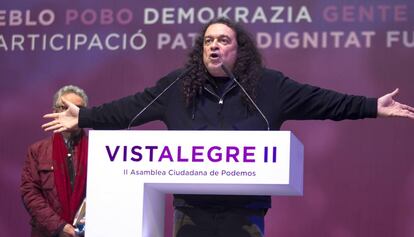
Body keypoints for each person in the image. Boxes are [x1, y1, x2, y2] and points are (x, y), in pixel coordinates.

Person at [41, 18, 414, 237]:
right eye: (207, 41)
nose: (214, 46)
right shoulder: (177, 85)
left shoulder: (268, 86)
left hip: (244, 215)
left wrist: (371, 107)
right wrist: (84, 117)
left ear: (240, 49)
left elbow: (323, 101)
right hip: (190, 214)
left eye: (223, 40)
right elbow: (130, 109)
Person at [21, 85, 89, 237]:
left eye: (77, 108)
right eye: (63, 107)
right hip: (48, 232)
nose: (70, 113)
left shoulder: (98, 150)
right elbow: (30, 193)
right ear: (54, 111)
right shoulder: (37, 151)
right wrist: (59, 227)